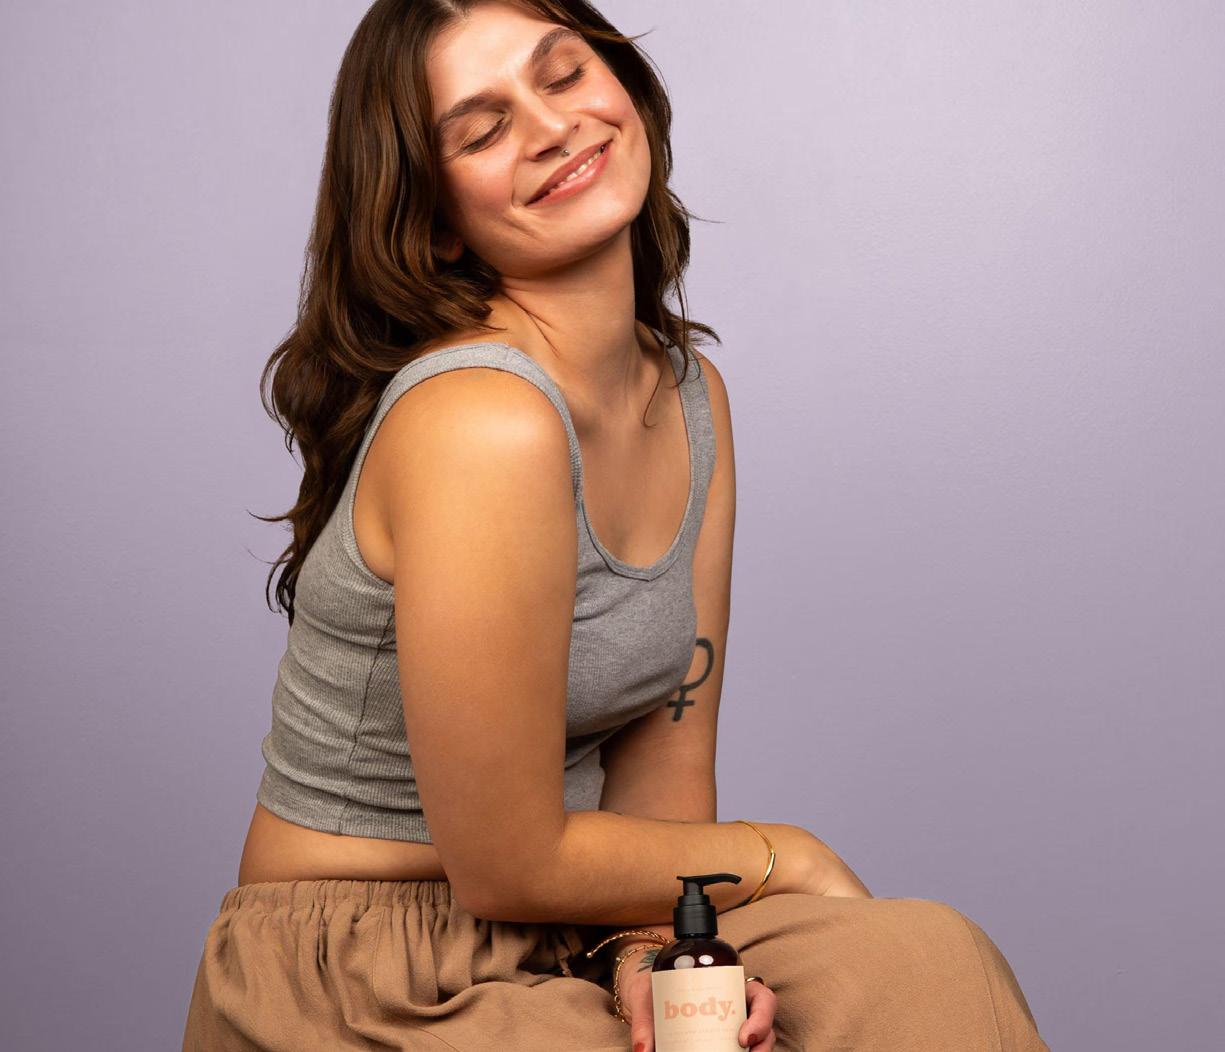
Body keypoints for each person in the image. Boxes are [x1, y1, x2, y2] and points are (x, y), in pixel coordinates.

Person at [182, 2, 1052, 1049]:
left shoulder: (687, 398)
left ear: (625, 91)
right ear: (437, 220)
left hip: (580, 923)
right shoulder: (481, 420)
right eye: (483, 129)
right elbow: (503, 862)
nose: (552, 127)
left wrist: (656, 951)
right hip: (366, 961)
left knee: (925, 964)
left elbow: (663, 788)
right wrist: (785, 855)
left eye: (562, 75)